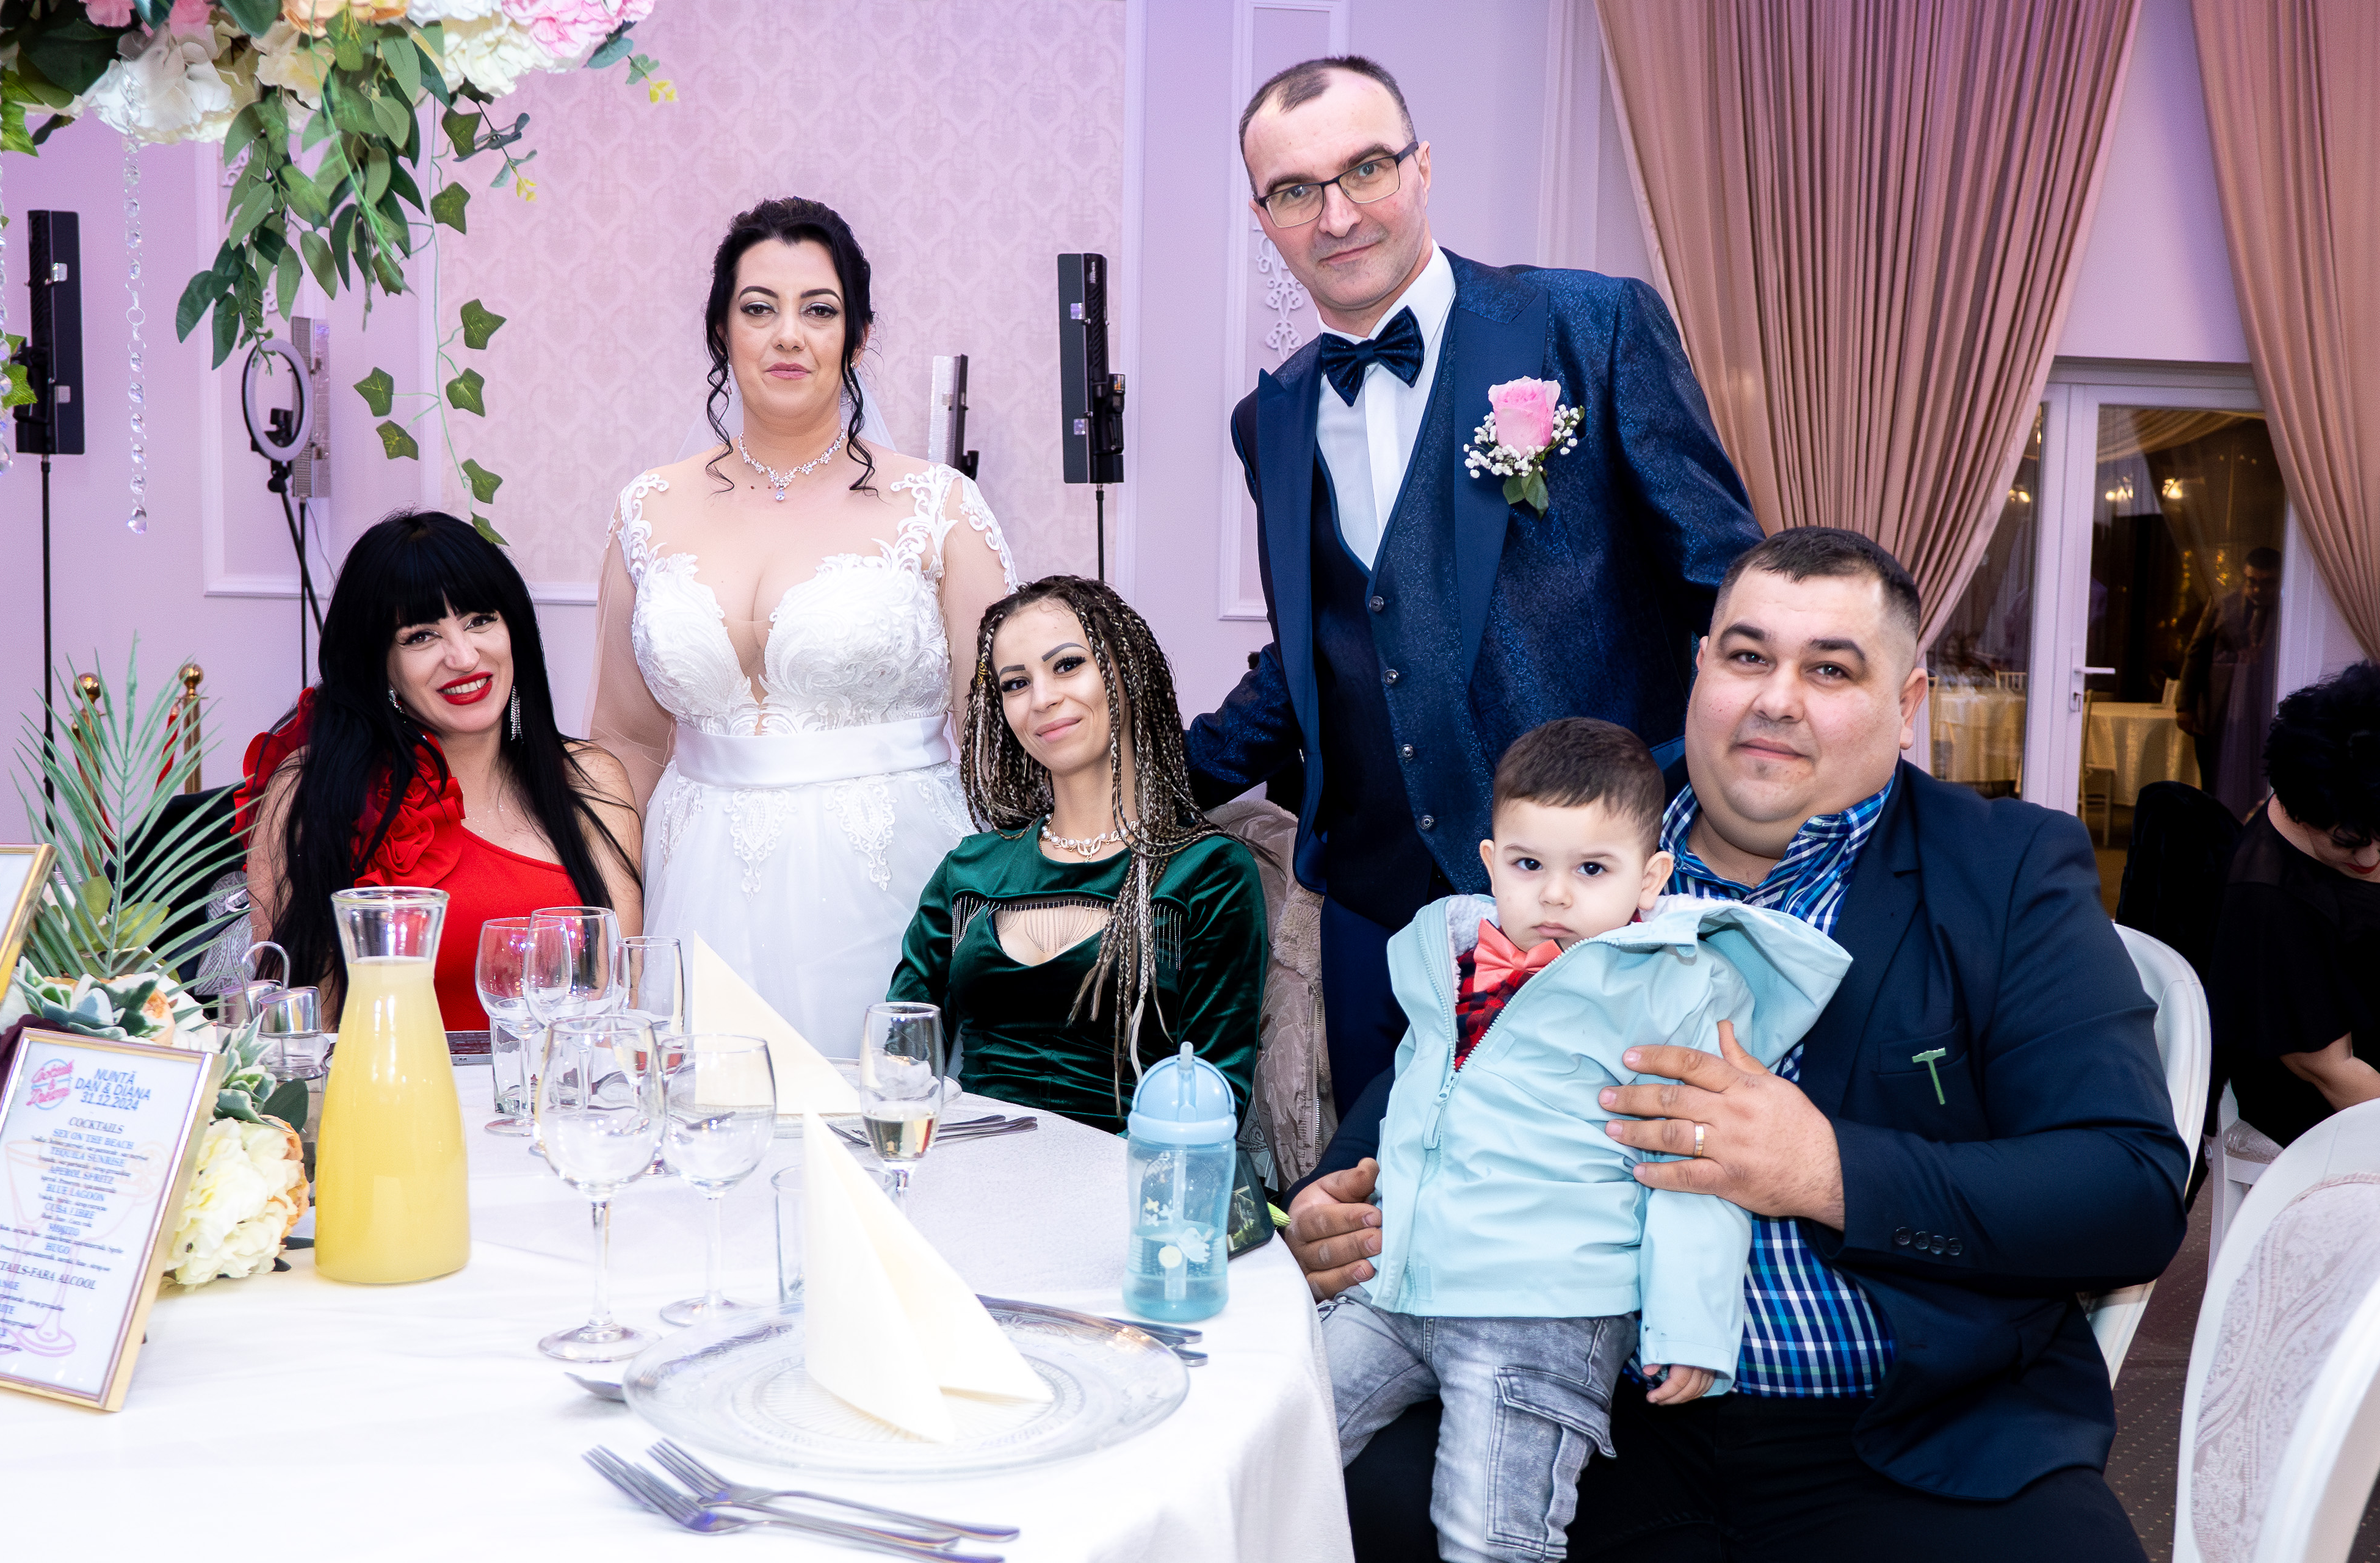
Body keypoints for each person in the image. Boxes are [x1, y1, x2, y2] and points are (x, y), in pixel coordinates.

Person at [1287, 528, 2188, 1560]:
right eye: (1749, 655)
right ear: (1700, 666)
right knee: (1312, 1497)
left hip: (1912, 1435)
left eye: (1830, 669)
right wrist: (1331, 1210)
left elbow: (2124, 1189)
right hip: (1582, 1404)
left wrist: (1826, 1170)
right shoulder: (1579, 836)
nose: (1776, 698)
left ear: (1906, 706)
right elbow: (1432, 1066)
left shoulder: (2007, 870)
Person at [1183, 56, 1762, 1124]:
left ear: (1422, 166)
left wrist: (1735, 814)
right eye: (1295, 191)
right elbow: (1323, 649)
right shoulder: (1268, 418)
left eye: (1366, 169)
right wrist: (1147, 783)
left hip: (1587, 903)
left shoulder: (1589, 326)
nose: (1337, 215)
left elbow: (1731, 597)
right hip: (1374, 914)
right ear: (1263, 218)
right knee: (1375, 1192)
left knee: (1594, 1186)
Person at [1326, 717, 1850, 1563]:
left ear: (1650, 878)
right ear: (1491, 861)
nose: (1556, 896)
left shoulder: (1670, 987)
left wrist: (1690, 1326)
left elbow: (1696, 1165)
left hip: (1542, 1312)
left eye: (1592, 870)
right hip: (1399, 1286)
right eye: (1529, 865)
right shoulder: (1445, 957)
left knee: (1489, 1534)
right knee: (1276, 1430)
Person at [589, 197, 1018, 1057]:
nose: (788, 335)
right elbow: (626, 741)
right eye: (759, 309)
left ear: (857, 338)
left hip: (889, 878)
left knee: (880, 1111)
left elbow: (1000, 742)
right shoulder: (647, 508)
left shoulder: (939, 507)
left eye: (819, 310)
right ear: (721, 330)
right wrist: (617, 929)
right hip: (693, 882)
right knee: (702, 1108)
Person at [888, 577, 1265, 1133]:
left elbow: (1214, 1094)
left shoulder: (1208, 872)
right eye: (1016, 683)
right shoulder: (969, 870)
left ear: (1127, 673)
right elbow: (901, 1059)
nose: (1041, 699)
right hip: (972, 1162)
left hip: (1132, 1170)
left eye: (1066, 665)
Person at [246, 512, 643, 1029]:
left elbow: (620, 1003)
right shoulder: (316, 792)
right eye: (420, 636)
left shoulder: (590, 782)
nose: (463, 655)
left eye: (480, 620)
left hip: (559, 1080)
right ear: (378, 664)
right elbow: (301, 1031)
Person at [2207, 662, 2380, 1148]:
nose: (2368, 859)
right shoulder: (2268, 895)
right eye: (2345, 841)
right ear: (2301, 810)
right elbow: (2332, 1070)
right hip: (2364, 1090)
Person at [2174, 545, 2281, 813]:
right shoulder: (2224, 605)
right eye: (2251, 581)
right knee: (2213, 783)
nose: (2257, 590)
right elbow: (2197, 653)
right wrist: (2184, 705)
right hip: (2218, 711)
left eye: (2267, 583)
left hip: (2262, 712)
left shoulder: (2288, 611)